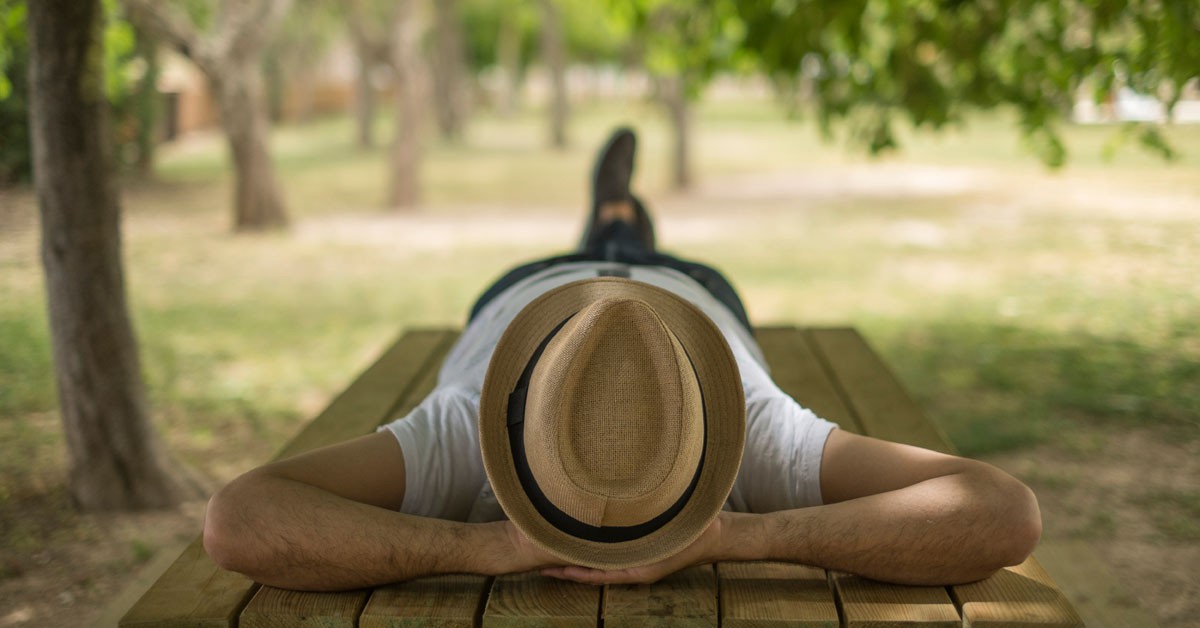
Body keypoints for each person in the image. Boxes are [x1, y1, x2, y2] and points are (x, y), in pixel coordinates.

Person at [202, 128, 1041, 591]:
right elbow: (236, 521)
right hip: (572, 300)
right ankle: (618, 215)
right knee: (621, 238)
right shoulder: (474, 425)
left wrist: (731, 540)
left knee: (618, 242)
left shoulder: (746, 423)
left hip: (627, 297)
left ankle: (614, 216)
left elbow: (1003, 513)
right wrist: (486, 550)